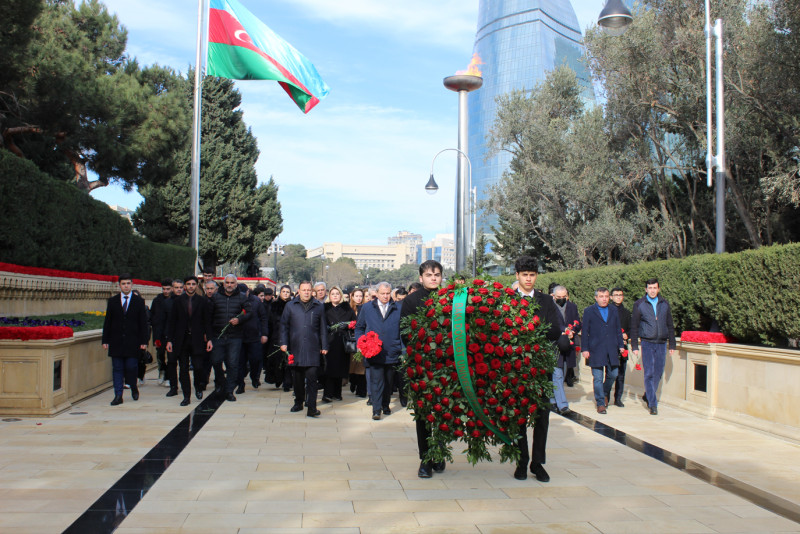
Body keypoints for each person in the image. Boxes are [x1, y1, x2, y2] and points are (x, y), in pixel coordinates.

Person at [512, 256, 563, 482]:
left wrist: (527, 329)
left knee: (542, 416)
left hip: (541, 367)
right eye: (525, 275)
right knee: (519, 417)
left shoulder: (546, 301)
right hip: (516, 369)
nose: (529, 279)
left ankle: (537, 462)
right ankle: (522, 461)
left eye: (532, 275)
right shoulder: (508, 300)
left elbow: (555, 330)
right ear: (517, 276)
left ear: (536, 276)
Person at [400, 260, 446, 478]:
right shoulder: (411, 301)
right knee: (423, 414)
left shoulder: (450, 299)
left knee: (444, 412)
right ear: (421, 278)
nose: (433, 278)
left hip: (447, 366)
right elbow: (405, 332)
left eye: (437, 274)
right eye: (429, 275)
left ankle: (440, 453)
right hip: (421, 365)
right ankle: (425, 458)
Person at [355, 281, 402, 421]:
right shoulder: (367, 308)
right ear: (377, 293)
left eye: (388, 294)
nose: (385, 296)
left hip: (391, 351)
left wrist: (401, 348)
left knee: (388, 381)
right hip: (373, 351)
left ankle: (385, 404)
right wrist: (361, 342)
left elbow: (402, 330)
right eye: (383, 294)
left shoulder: (397, 308)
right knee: (376, 381)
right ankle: (376, 409)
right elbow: (359, 327)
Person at [280, 281, 328, 417]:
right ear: (299, 291)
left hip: (313, 348)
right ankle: (298, 402)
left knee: (312, 379)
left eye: (308, 290)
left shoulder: (318, 307)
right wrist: (283, 343)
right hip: (295, 347)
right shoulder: (290, 306)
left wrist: (324, 345)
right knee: (298, 379)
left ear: (311, 291)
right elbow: (284, 326)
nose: (306, 292)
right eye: (303, 290)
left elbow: (323, 328)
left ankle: (312, 407)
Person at [630, 278, 676, 415]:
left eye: (654, 288)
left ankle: (648, 394)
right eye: (650, 288)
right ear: (646, 290)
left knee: (658, 373)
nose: (652, 290)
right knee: (649, 373)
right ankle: (653, 403)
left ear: (658, 289)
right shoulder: (639, 304)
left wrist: (672, 343)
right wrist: (634, 346)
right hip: (647, 342)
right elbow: (634, 326)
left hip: (661, 343)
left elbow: (670, 324)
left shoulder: (664, 304)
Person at [102, 274, 149, 406]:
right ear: (120, 285)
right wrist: (105, 340)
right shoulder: (113, 301)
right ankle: (118, 395)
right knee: (117, 368)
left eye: (128, 283)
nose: (126, 286)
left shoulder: (139, 301)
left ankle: (133, 386)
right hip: (116, 341)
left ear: (132, 284)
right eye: (123, 283)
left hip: (133, 342)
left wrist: (144, 341)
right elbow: (108, 322)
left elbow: (143, 323)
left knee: (131, 367)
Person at [165, 275, 212, 406]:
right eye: (188, 284)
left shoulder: (202, 301)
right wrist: (170, 340)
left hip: (197, 340)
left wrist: (209, 339)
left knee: (198, 367)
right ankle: (186, 396)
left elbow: (207, 322)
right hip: (181, 340)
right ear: (185, 286)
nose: (191, 286)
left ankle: (198, 386)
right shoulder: (178, 301)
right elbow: (172, 322)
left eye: (193, 284)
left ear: (197, 285)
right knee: (183, 368)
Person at [208, 274, 252, 401]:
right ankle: (220, 383)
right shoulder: (215, 297)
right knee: (216, 361)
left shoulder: (242, 297)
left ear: (236, 284)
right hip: (218, 336)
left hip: (235, 336)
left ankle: (229, 390)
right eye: (227, 282)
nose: (229, 285)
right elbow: (209, 317)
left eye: (232, 283)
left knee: (232, 364)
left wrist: (239, 320)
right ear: (223, 283)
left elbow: (249, 312)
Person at [581, 288, 625, 414]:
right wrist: (585, 349)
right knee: (598, 378)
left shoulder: (613, 310)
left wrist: (621, 345)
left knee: (614, 374)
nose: (604, 299)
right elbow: (585, 332)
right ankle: (600, 403)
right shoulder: (589, 311)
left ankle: (605, 392)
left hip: (611, 348)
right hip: (595, 349)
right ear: (596, 298)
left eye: (606, 296)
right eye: (601, 296)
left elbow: (617, 329)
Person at [323, 286, 356, 403]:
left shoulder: (347, 309)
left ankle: (337, 393)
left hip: (342, 341)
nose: (335, 295)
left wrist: (347, 326)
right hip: (329, 341)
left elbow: (354, 322)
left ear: (341, 296)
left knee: (340, 368)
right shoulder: (324, 308)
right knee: (329, 368)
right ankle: (327, 393)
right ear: (329, 296)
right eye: (333, 294)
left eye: (337, 293)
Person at [551, 285, 580, 415]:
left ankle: (552, 399)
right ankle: (562, 405)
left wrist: (573, 330)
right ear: (553, 296)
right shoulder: (549, 307)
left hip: (568, 345)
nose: (562, 299)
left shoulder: (572, 307)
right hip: (554, 345)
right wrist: (563, 330)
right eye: (559, 297)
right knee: (557, 374)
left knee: (563, 373)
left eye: (564, 297)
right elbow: (550, 324)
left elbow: (578, 322)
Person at [237, 283, 269, 394]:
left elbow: (263, 318)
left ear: (248, 291)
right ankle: (240, 384)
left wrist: (264, 333)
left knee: (255, 360)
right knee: (240, 362)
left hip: (254, 336)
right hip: (239, 336)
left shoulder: (255, 301)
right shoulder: (236, 300)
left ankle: (255, 377)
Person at [265, 284, 292, 390]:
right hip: (276, 335)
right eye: (283, 292)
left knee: (288, 359)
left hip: (290, 335)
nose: (285, 294)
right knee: (277, 359)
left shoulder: (292, 305)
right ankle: (277, 378)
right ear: (280, 293)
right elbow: (269, 322)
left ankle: (287, 382)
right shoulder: (274, 305)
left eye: (287, 292)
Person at [610, 287, 632, 407]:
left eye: (620, 295)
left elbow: (631, 328)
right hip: (611, 346)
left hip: (623, 346)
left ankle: (618, 398)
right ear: (611, 297)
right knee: (610, 373)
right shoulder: (608, 310)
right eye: (616, 295)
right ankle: (606, 396)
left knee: (621, 375)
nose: (618, 297)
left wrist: (626, 335)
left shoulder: (627, 313)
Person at [150, 278, 173, 385]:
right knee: (160, 354)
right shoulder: (157, 301)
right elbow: (152, 316)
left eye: (168, 289)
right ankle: (162, 370)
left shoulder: (174, 300)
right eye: (164, 289)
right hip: (159, 333)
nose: (166, 291)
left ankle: (168, 376)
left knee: (170, 356)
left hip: (170, 333)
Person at [348, 288, 367, 397]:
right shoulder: (349, 309)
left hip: (362, 340)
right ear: (352, 296)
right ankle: (353, 381)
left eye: (361, 296)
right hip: (351, 340)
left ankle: (361, 390)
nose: (359, 298)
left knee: (361, 366)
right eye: (357, 296)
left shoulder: (365, 308)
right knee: (352, 364)